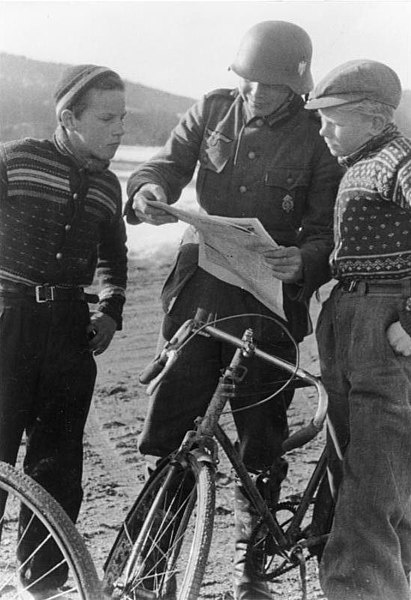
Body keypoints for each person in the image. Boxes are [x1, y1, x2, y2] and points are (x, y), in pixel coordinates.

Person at [125, 21, 341, 600]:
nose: (254, 93)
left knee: (260, 437)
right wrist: (145, 192)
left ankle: (253, 568)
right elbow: (163, 165)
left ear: (297, 86)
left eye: (268, 85)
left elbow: (324, 232)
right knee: (172, 424)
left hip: (271, 305)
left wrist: (305, 260)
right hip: (201, 298)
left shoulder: (319, 138)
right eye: (247, 81)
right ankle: (153, 567)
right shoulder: (212, 110)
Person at [0, 64, 128, 599]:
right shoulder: (16, 160)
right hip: (8, 323)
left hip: (70, 332)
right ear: (69, 117)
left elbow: (112, 256)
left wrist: (111, 309)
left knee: (57, 463)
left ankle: (44, 585)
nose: (118, 129)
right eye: (106, 118)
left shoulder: (107, 185)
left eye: (123, 118)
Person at [305, 59, 411, 600]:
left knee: (372, 475)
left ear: (373, 119)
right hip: (349, 318)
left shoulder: (398, 161)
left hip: (383, 325)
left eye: (333, 120)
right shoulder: (362, 161)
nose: (322, 132)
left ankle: (359, 588)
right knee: (363, 462)